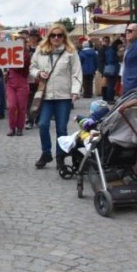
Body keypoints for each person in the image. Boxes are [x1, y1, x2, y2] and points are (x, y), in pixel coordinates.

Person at [30, 23, 82, 170]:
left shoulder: (71, 52)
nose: (56, 38)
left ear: (64, 37)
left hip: (63, 95)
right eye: (53, 35)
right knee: (43, 124)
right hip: (46, 96)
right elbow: (32, 68)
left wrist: (75, 91)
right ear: (49, 36)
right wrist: (38, 74)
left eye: (60, 35)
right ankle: (46, 153)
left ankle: (60, 157)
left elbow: (77, 72)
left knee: (61, 129)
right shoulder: (40, 51)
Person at [6, 33, 31, 136]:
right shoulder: (9, 53)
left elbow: (20, 66)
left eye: (22, 43)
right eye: (17, 42)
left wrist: (9, 61)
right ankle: (12, 128)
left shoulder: (26, 55)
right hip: (11, 84)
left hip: (22, 83)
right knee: (11, 106)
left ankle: (19, 127)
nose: (19, 44)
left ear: (25, 44)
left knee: (21, 107)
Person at [101, 36, 119, 102]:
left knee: (110, 84)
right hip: (112, 69)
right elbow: (111, 60)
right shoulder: (112, 50)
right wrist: (117, 59)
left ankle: (109, 98)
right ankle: (110, 98)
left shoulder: (109, 49)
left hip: (109, 69)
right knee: (111, 84)